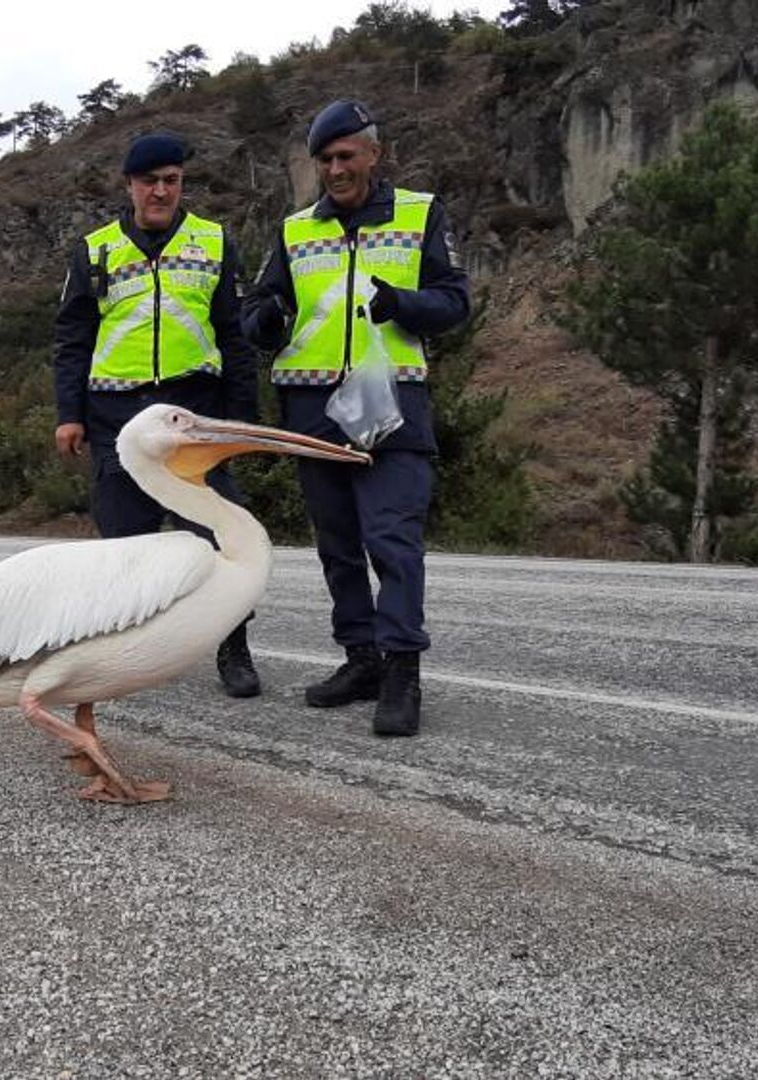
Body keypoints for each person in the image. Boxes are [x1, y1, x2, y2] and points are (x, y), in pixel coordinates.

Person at [241, 100, 471, 737]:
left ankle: (402, 672)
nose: (336, 169)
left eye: (347, 156)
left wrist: (405, 304)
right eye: (325, 160)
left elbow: (455, 302)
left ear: (374, 152)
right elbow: (259, 305)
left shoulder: (419, 213)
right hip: (312, 407)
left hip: (395, 403)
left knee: (392, 540)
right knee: (338, 545)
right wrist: (263, 321)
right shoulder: (293, 231)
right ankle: (360, 659)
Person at [53, 131, 263, 698]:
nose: (162, 191)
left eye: (172, 180)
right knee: (127, 546)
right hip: (115, 414)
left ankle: (232, 647)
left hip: (193, 415)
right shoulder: (95, 250)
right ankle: (132, 652)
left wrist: (241, 418)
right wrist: (68, 413)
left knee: (219, 539)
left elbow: (234, 336)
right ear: (130, 186)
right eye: (151, 182)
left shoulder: (214, 242)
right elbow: (73, 338)